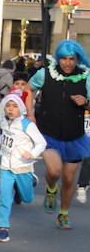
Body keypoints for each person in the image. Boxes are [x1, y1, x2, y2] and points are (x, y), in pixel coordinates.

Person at [31, 40, 90, 228]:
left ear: (77, 59)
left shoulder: (86, 77)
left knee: (69, 178)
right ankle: (50, 188)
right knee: (54, 171)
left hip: (74, 135)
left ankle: (64, 213)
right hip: (49, 133)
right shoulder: (46, 74)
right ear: (58, 58)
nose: (67, 63)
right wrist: (31, 115)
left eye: (71, 59)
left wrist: (86, 102)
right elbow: (27, 90)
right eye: (63, 58)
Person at [0, 93, 46, 242]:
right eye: (8, 106)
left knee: (27, 198)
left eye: (14, 106)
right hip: (6, 167)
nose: (10, 109)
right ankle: (3, 229)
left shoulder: (27, 125)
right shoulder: (5, 122)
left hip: (23, 167)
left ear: (20, 108)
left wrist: (32, 154)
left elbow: (41, 143)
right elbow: (5, 136)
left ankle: (31, 181)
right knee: (3, 197)